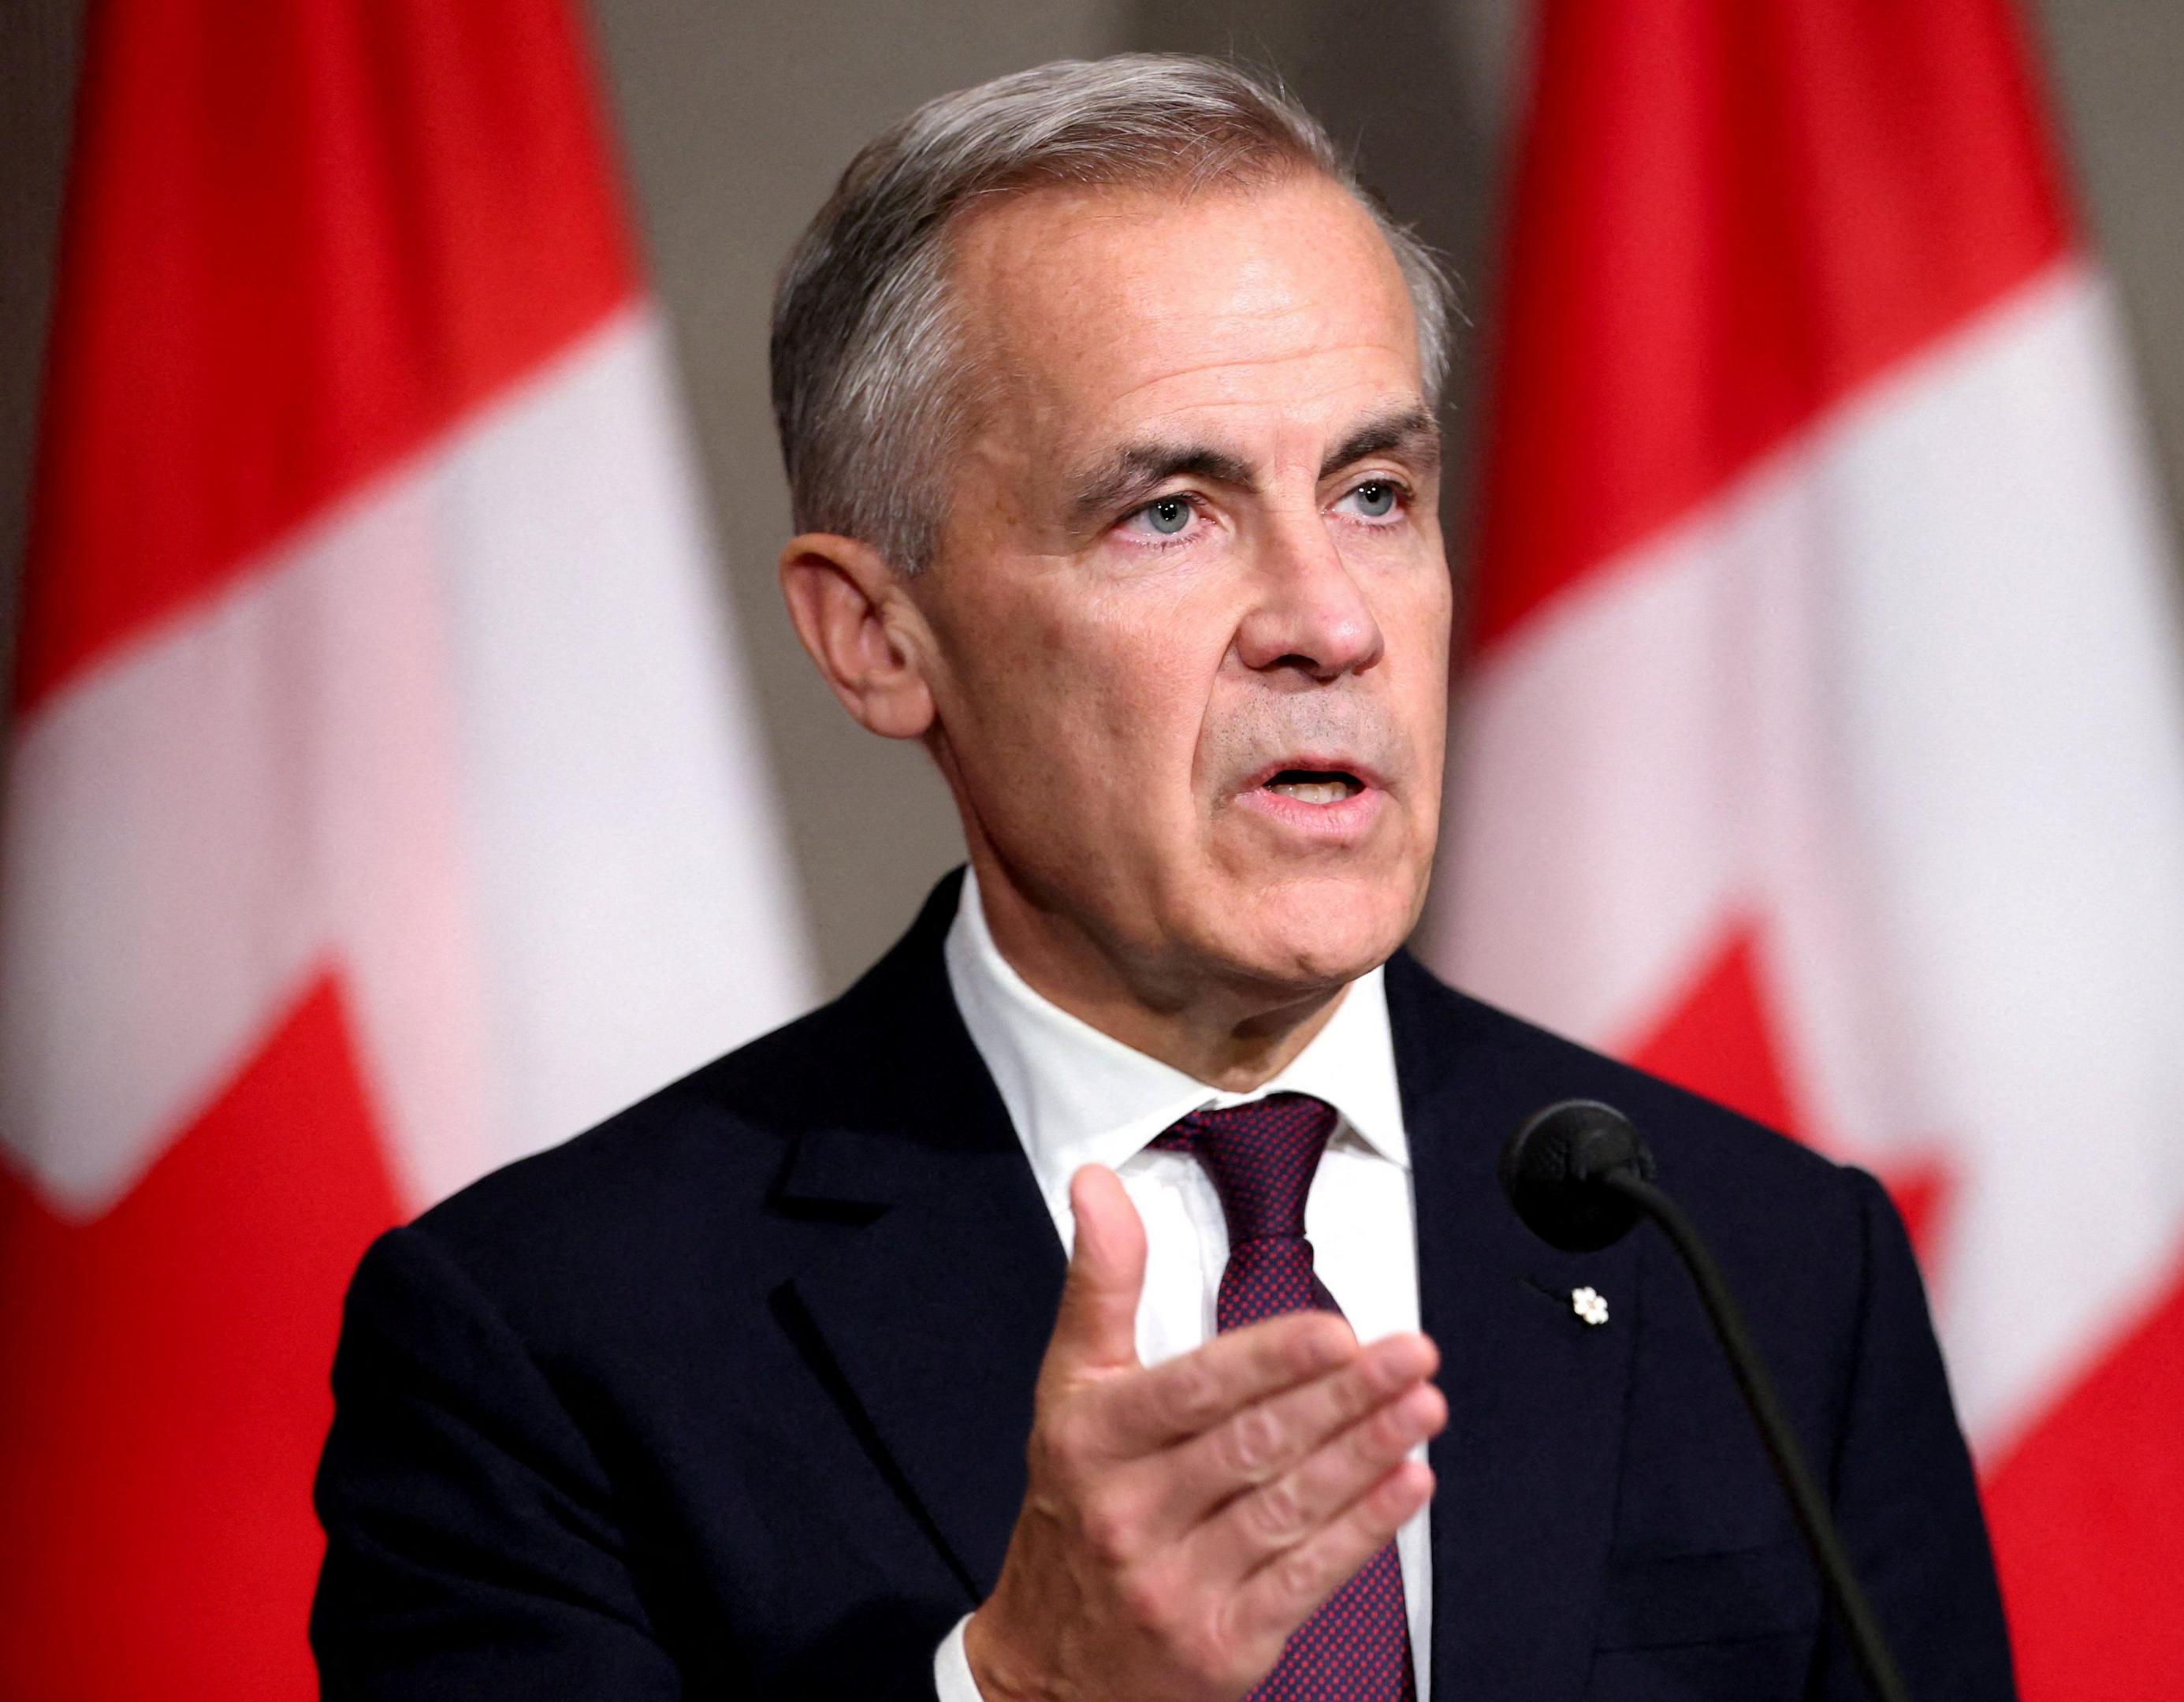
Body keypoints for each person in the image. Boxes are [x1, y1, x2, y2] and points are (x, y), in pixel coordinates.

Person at [311, 54, 2014, 1702]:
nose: (1330, 622)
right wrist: (1023, 1690)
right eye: (1170, 514)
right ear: (879, 637)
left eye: (1374, 490)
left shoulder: (1769, 1273)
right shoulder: (550, 1346)